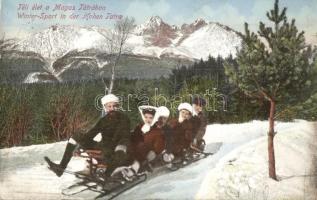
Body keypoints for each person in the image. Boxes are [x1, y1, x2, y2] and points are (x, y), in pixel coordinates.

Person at [44, 94, 132, 177]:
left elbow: (125, 135)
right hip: (103, 146)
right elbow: (91, 134)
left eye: (114, 106)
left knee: (113, 152)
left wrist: (121, 146)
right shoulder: (103, 120)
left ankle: (107, 176)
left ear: (118, 106)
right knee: (77, 136)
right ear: (105, 108)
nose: (112, 108)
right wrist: (79, 146)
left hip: (116, 148)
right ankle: (61, 168)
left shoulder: (123, 118)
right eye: (109, 106)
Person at [130, 105, 166, 170]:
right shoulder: (140, 127)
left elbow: (158, 147)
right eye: (146, 117)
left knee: (140, 146)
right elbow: (133, 137)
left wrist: (154, 152)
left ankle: (139, 166)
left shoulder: (157, 131)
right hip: (134, 149)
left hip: (145, 152)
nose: (147, 120)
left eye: (150, 118)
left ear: (154, 119)